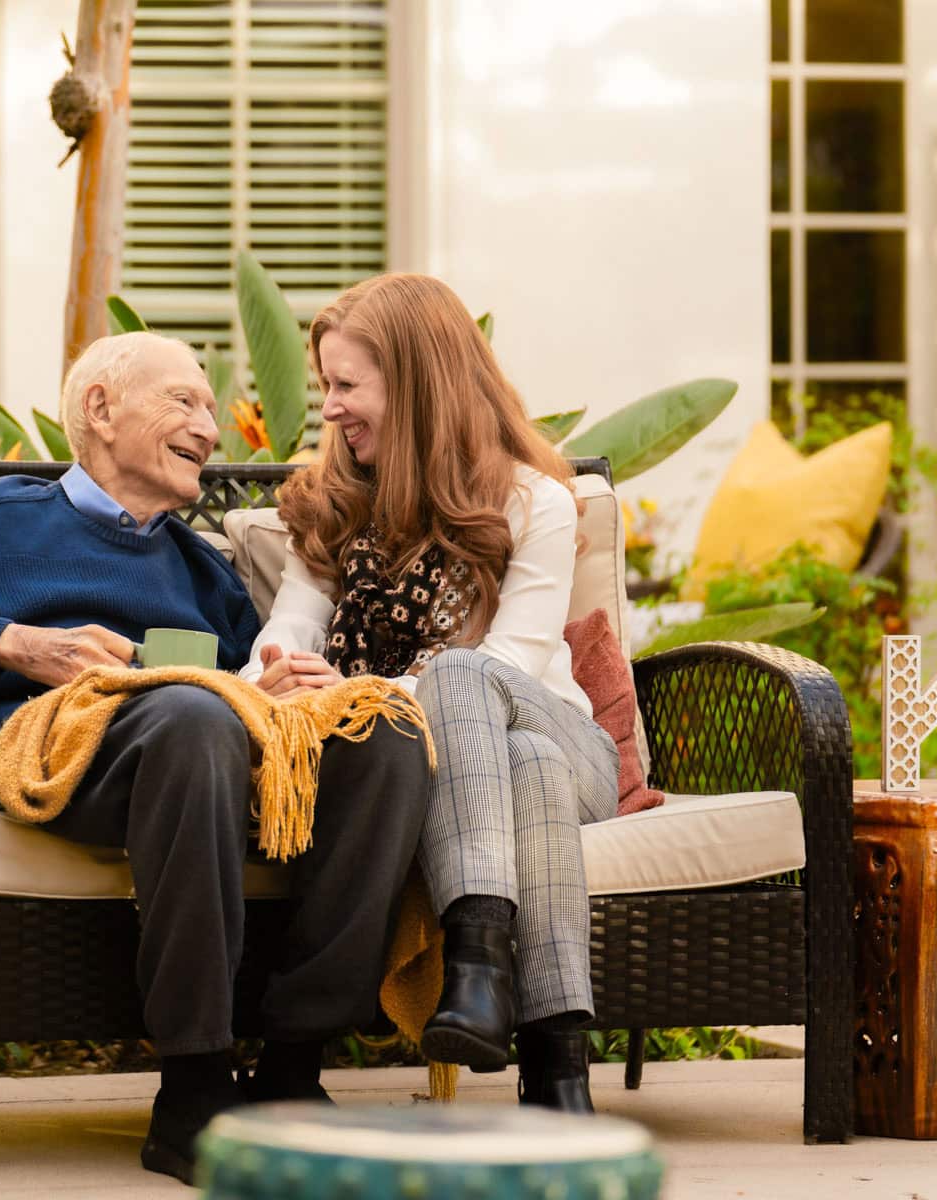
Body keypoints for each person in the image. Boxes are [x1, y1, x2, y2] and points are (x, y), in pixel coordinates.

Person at [0, 331, 432, 1183]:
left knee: (384, 736)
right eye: (185, 401)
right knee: (193, 715)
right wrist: (12, 642)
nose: (210, 428)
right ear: (101, 408)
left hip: (194, 755)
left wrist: (277, 696)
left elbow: (241, 697)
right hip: (47, 756)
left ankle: (292, 1075)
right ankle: (191, 1089)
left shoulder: (202, 570)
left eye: (209, 409)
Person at [241, 274, 620, 1112]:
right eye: (326, 386)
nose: (330, 409)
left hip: (568, 742)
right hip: (501, 774)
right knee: (525, 768)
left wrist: (361, 690)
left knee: (466, 678)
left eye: (347, 385)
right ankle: (557, 1076)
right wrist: (273, 673)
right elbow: (291, 628)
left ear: (414, 384)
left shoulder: (534, 502)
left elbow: (515, 663)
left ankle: (480, 957)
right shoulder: (333, 508)